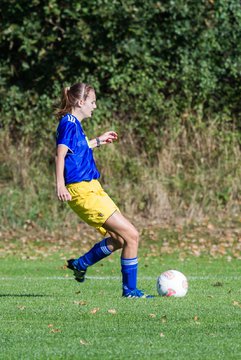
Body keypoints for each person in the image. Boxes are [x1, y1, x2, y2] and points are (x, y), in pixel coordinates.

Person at [55, 82, 152, 298]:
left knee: (119, 239)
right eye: (92, 102)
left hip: (93, 188)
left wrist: (98, 141)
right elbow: (60, 154)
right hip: (82, 192)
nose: (95, 106)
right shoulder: (68, 123)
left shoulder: (74, 124)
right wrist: (60, 184)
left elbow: (77, 150)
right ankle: (130, 291)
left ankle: (81, 264)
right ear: (80, 102)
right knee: (132, 236)